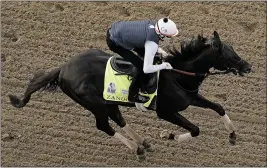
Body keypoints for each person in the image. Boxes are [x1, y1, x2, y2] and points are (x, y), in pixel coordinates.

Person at [106, 18, 179, 103]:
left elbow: (150, 42)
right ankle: (133, 95)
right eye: (168, 36)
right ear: (162, 34)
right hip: (114, 42)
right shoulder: (152, 43)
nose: (168, 38)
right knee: (141, 67)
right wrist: (164, 65)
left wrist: (162, 53)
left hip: (116, 29)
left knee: (148, 53)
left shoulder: (153, 25)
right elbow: (146, 69)